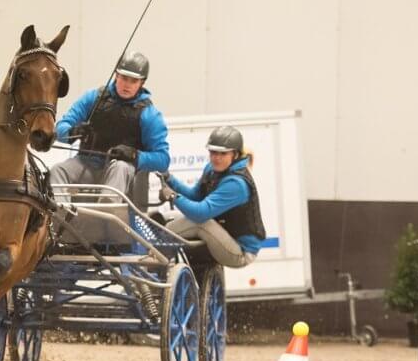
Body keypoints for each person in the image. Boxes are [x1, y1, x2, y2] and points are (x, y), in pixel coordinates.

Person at [49, 51, 169, 198]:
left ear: (142, 82)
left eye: (134, 81)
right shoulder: (93, 98)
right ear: (116, 75)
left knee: (120, 167)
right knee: (57, 170)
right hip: (86, 166)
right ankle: (59, 214)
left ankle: (107, 214)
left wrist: (134, 155)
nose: (127, 85)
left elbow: (163, 159)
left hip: (121, 174)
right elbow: (60, 128)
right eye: (124, 78)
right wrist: (73, 131)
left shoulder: (150, 115)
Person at [159, 126, 267, 268]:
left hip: (241, 251)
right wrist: (169, 179)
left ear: (235, 154)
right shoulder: (212, 169)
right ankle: (160, 249)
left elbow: (200, 214)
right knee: (167, 216)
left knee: (200, 222)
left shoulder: (236, 184)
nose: (216, 158)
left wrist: (173, 196)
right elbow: (195, 196)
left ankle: (156, 250)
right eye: (213, 152)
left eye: (222, 154)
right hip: (224, 236)